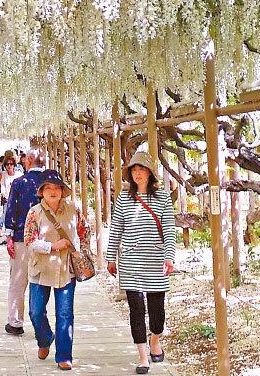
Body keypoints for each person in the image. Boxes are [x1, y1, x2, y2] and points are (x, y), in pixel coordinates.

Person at [105, 151, 178, 374]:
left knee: (157, 311)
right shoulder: (124, 198)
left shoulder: (163, 197)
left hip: (155, 260)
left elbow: (169, 229)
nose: (137, 174)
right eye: (134, 170)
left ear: (149, 172)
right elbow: (116, 228)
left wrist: (169, 256)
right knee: (136, 309)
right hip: (130, 260)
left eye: (141, 169)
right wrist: (110, 257)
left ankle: (155, 338)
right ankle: (143, 356)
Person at [25, 169, 84, 371]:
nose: (52, 192)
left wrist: (81, 252)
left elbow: (84, 231)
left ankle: (64, 355)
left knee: (65, 313)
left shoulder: (73, 209)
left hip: (66, 268)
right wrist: (51, 246)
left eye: (56, 188)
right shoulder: (34, 212)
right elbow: (29, 241)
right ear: (41, 191)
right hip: (41, 268)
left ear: (62, 190)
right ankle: (45, 338)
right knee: (35, 312)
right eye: (47, 188)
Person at [2, 149, 47, 336]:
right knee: (42, 282)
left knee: (18, 281)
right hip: (47, 241)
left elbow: (11, 210)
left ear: (29, 161)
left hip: (22, 239)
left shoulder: (19, 183)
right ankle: (40, 322)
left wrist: (9, 237)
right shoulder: (50, 183)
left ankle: (15, 322)